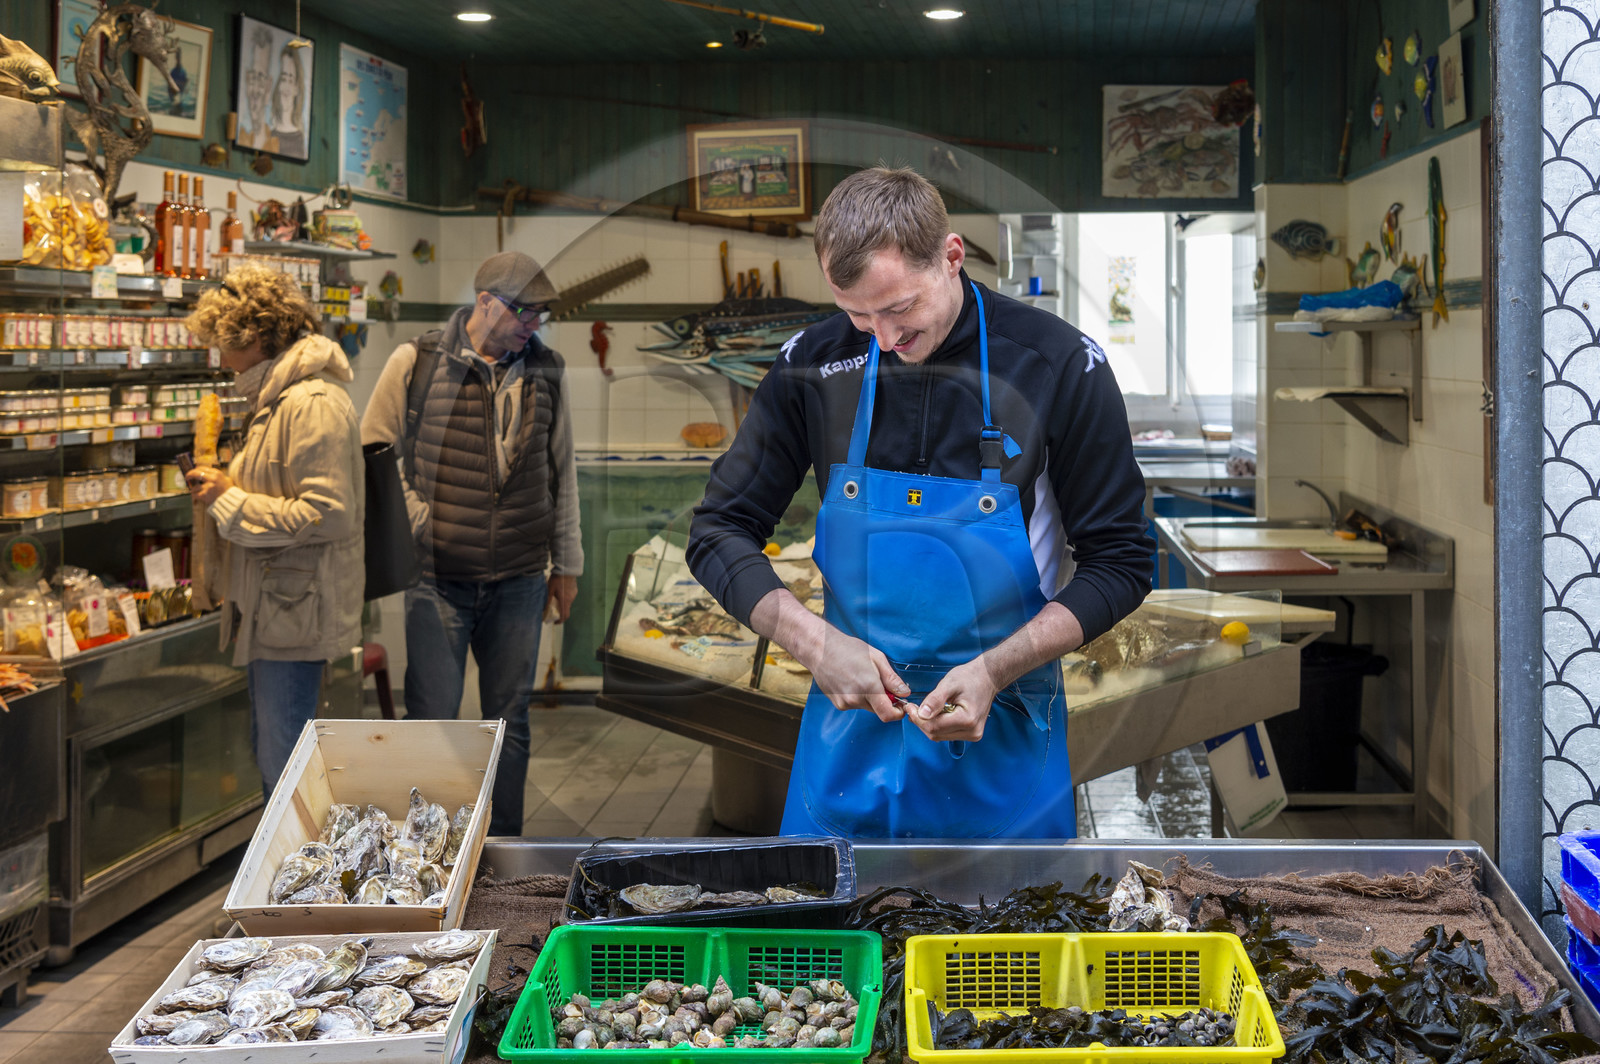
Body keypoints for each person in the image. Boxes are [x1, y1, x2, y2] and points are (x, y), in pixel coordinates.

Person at [686, 166, 1152, 838]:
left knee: (1003, 940)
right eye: (856, 314)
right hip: (848, 739)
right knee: (836, 940)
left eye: (901, 309)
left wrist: (996, 668)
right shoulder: (809, 366)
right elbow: (719, 531)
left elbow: (1121, 562)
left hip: (1004, 732)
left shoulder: (1058, 365)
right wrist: (814, 644)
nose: (883, 339)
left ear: (952, 257)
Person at [362, 251, 582, 838]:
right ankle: (427, 856)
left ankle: (502, 850)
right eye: (524, 312)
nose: (533, 324)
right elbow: (374, 450)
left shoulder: (547, 369)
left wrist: (568, 565)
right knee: (432, 720)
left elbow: (563, 475)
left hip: (519, 577)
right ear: (485, 301)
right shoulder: (416, 361)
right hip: (436, 579)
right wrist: (418, 520)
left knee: (509, 723)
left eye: (541, 314)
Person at [183, 263, 365, 796]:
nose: (219, 358)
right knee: (274, 758)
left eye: (224, 343)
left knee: (286, 772)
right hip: (274, 610)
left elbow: (328, 513)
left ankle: (299, 876)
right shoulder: (275, 398)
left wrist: (229, 500)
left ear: (257, 337)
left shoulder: (312, 404)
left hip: (296, 617)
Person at [269, 45, 306, 158]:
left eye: (291, 80)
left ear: (296, 88)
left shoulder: (300, 139)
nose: (286, 88)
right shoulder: (269, 135)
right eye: (283, 79)